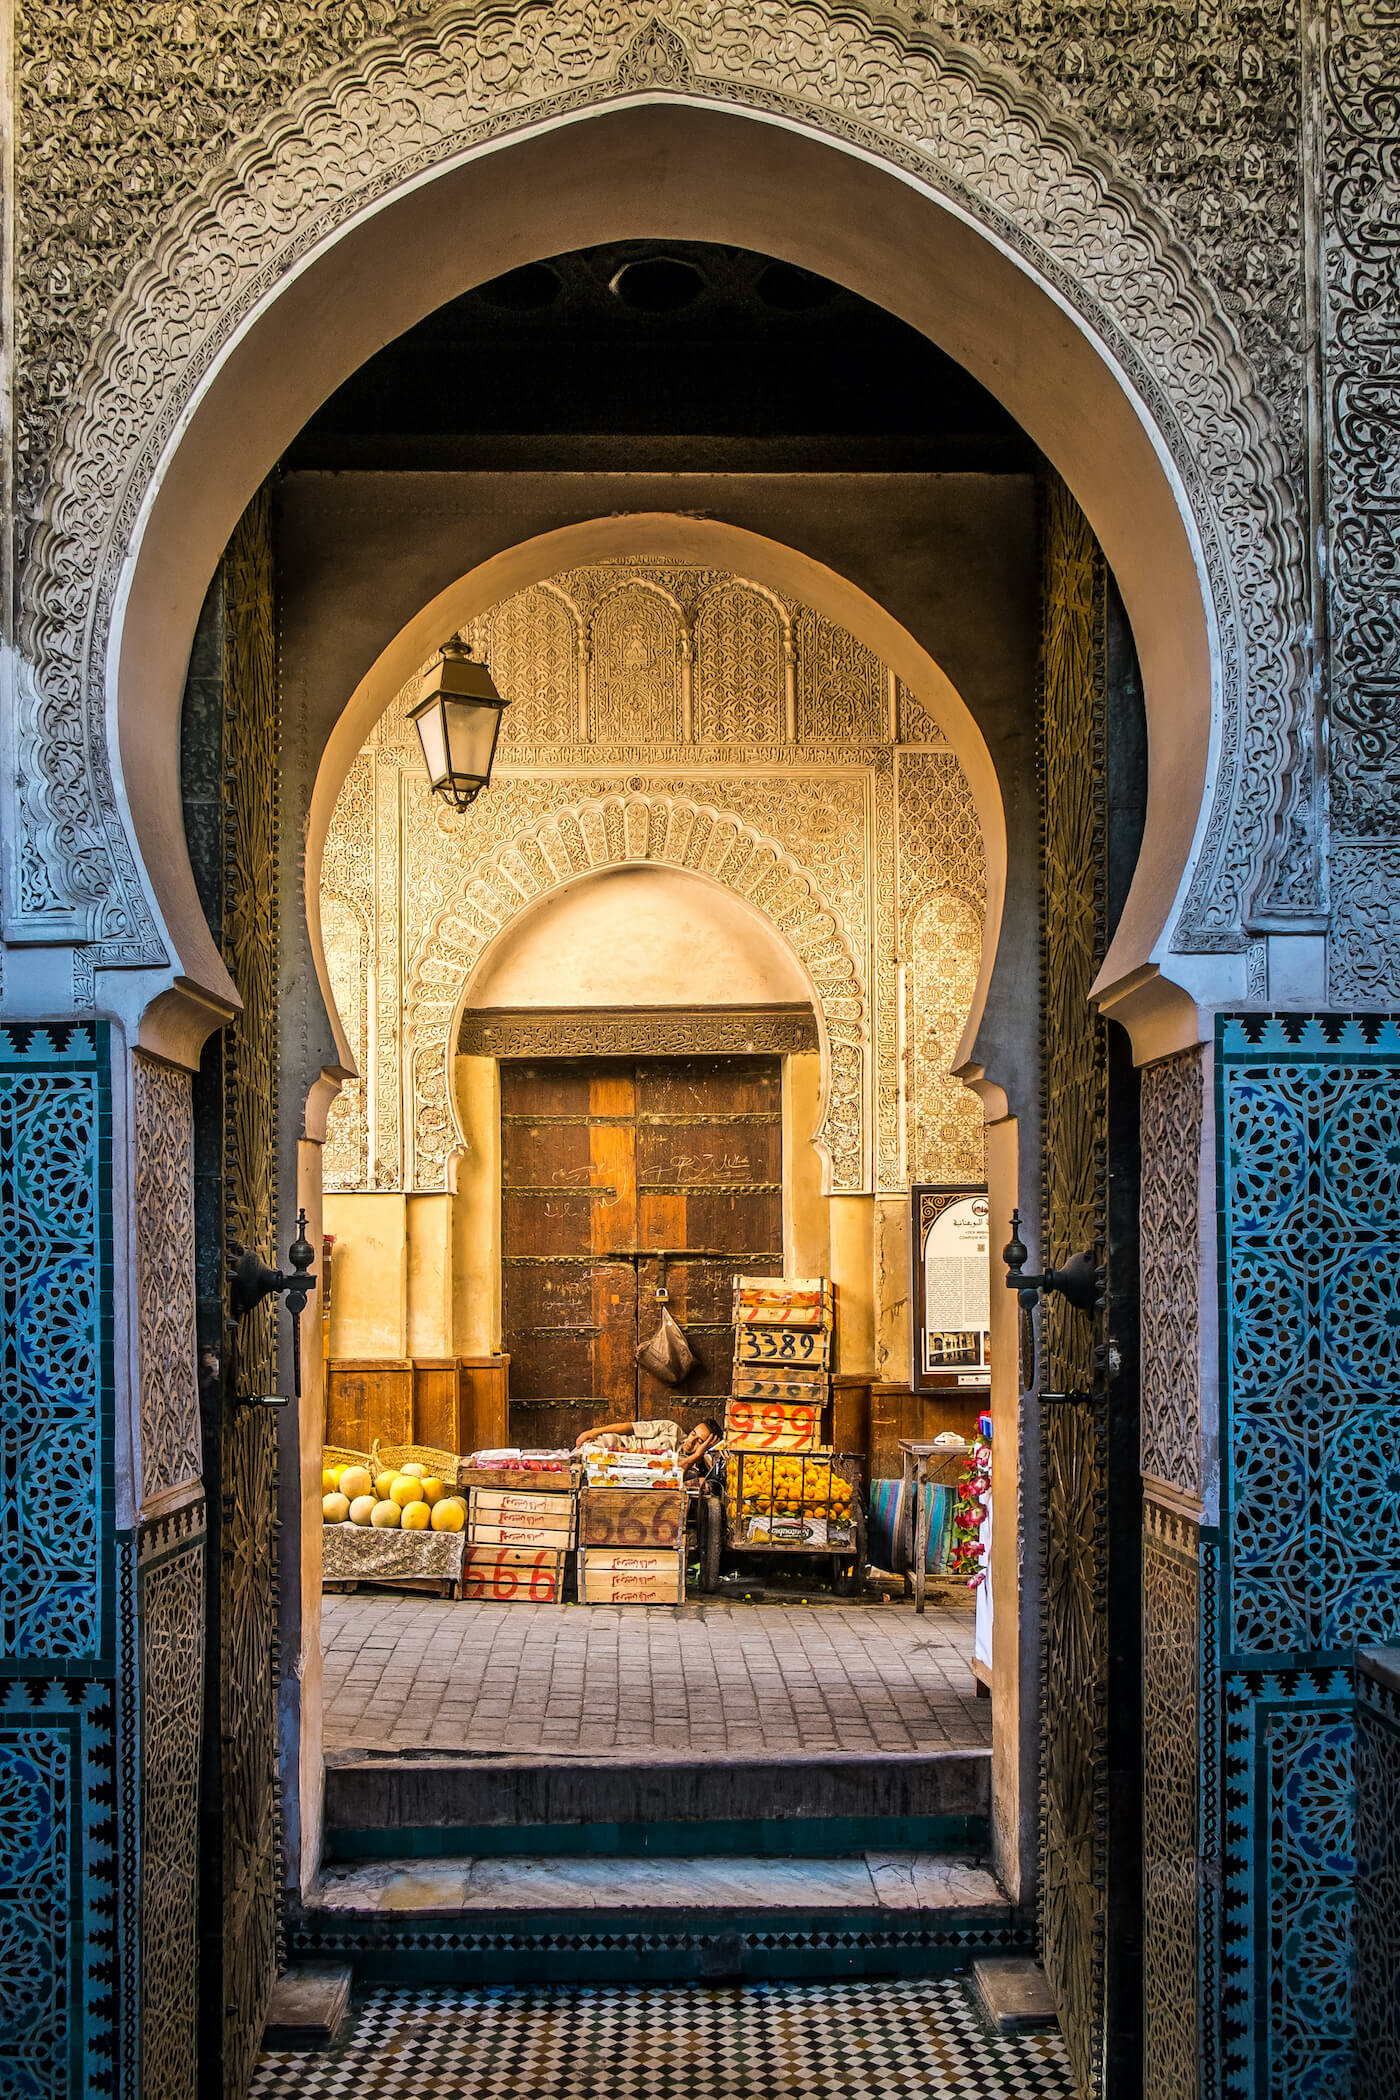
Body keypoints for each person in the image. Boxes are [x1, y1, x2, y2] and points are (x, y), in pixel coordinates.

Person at [576, 1414, 722, 1479]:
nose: (692, 1440)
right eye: (693, 1433)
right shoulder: (671, 1429)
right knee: (576, 1463)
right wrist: (594, 1431)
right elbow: (630, 1427)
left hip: (621, 1472)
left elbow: (673, 1477)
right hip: (611, 1447)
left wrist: (696, 1457)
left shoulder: (690, 1470)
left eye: (700, 1442)